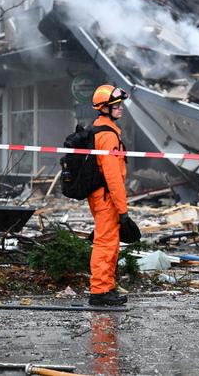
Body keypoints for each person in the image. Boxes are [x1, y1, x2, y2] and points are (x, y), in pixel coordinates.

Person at [87, 84, 131, 306]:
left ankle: (106, 287)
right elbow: (113, 176)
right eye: (116, 105)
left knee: (109, 241)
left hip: (101, 195)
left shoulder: (102, 129)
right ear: (104, 108)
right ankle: (100, 291)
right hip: (107, 198)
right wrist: (123, 210)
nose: (120, 108)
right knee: (105, 243)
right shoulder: (108, 136)